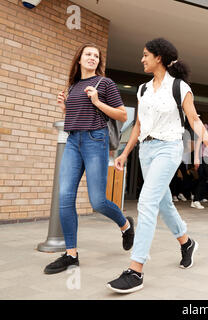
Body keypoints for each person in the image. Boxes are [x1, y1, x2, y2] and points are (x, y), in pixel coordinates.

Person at [107, 38, 208, 293]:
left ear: (159, 58)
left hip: (169, 148)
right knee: (163, 203)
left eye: (145, 55)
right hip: (146, 151)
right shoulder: (142, 90)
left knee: (146, 201)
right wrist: (124, 153)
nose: (142, 59)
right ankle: (187, 243)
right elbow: (138, 126)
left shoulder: (179, 87)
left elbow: (195, 121)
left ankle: (135, 270)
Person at [44, 43, 134, 275]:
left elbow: (123, 115)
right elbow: (74, 117)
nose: (92, 58)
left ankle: (125, 225)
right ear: (79, 59)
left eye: (96, 55)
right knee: (65, 197)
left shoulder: (105, 84)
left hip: (96, 141)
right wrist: (65, 106)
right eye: (88, 54)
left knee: (98, 201)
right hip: (73, 142)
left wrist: (97, 102)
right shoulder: (73, 86)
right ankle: (71, 254)